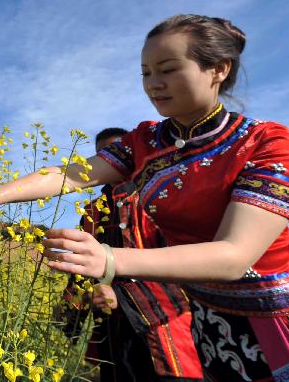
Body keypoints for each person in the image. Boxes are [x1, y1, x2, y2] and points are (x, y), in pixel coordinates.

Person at [0, 14, 289, 382]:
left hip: (282, 329)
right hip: (209, 326)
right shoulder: (147, 140)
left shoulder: (265, 141)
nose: (153, 84)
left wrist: (111, 260)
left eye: (168, 70)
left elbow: (235, 256)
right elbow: (72, 174)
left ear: (218, 69)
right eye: (146, 73)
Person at [66, 127, 202, 382]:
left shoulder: (160, 197)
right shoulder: (92, 211)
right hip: (111, 330)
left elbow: (188, 261)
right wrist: (72, 311)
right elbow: (81, 268)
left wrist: (120, 295)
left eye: (118, 151)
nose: (110, 159)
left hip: (165, 324)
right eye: (102, 154)